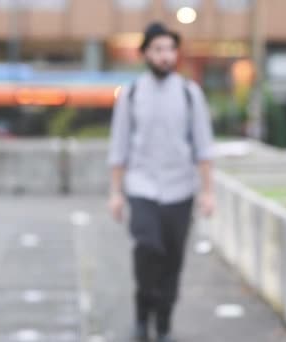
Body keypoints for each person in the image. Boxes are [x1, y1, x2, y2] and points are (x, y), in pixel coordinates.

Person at [107, 22, 215, 342]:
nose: (165, 56)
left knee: (172, 259)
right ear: (145, 54)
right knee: (147, 249)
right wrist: (115, 193)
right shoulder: (131, 94)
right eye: (158, 50)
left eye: (170, 49)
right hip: (142, 187)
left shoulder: (189, 93)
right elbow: (119, 147)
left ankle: (164, 322)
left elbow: (203, 147)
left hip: (180, 189)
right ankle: (143, 316)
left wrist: (208, 191)